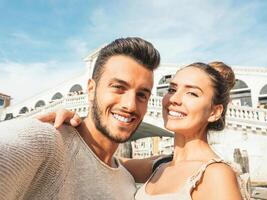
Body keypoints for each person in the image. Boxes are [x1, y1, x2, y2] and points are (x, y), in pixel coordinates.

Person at [40, 62, 250, 199]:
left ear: (214, 112)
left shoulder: (215, 175)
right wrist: (75, 125)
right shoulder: (158, 165)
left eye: (192, 94)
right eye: (172, 89)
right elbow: (99, 158)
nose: (174, 99)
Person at [0, 37, 160, 200]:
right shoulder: (47, 140)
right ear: (91, 89)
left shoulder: (127, 183)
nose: (131, 105)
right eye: (118, 87)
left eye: (142, 95)